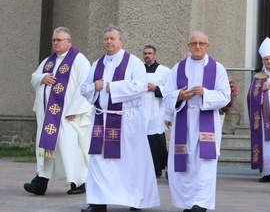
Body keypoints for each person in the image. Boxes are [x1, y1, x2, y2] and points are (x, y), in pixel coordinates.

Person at [80, 25, 160, 212]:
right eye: (106, 38)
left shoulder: (133, 62)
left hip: (126, 121)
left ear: (121, 41)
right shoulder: (97, 64)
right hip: (102, 119)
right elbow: (84, 89)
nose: (109, 42)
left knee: (130, 162)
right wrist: (95, 86)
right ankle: (98, 202)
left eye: (112, 38)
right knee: (99, 161)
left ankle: (135, 201)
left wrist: (113, 88)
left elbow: (140, 86)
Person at [162, 31, 231, 212]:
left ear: (207, 46)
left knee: (204, 165)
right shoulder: (178, 68)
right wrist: (180, 95)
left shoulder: (218, 69)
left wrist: (205, 93)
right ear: (189, 46)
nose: (198, 46)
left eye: (201, 43)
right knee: (186, 166)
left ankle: (201, 203)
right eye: (194, 43)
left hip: (205, 121)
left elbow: (225, 96)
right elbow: (166, 94)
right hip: (183, 122)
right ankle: (187, 203)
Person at [24, 27, 91, 196]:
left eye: (59, 40)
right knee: (47, 148)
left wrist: (75, 109)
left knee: (70, 148)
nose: (55, 43)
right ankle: (40, 182)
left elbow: (86, 86)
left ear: (69, 41)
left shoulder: (79, 60)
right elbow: (34, 77)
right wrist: (42, 78)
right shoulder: (48, 61)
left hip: (68, 115)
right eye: (54, 40)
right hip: (49, 117)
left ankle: (79, 182)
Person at [246, 37, 270, 183]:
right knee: (266, 142)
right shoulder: (258, 77)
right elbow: (251, 97)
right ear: (263, 61)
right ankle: (267, 172)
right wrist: (262, 89)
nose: (269, 61)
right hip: (263, 116)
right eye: (266, 59)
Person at [142, 45, 170, 178]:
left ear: (155, 55)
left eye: (150, 53)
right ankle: (149, 169)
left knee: (157, 141)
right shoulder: (138, 70)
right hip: (142, 111)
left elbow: (169, 89)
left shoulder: (164, 71)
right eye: (145, 53)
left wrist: (156, 88)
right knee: (145, 142)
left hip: (157, 111)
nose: (147, 56)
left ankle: (160, 168)